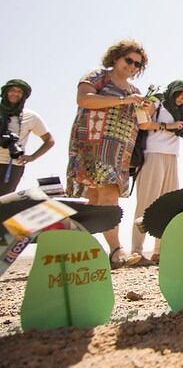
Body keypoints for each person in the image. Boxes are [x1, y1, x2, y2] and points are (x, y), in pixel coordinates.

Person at [66, 39, 152, 269]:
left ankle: (87, 250)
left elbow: (143, 125)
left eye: (137, 64)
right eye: (129, 60)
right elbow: (84, 99)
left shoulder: (134, 91)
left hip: (119, 150)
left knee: (98, 199)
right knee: (102, 197)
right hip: (93, 145)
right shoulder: (98, 76)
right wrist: (123, 100)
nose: (132, 66)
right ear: (116, 57)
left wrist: (145, 109)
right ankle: (116, 250)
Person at [132, 80, 183, 265]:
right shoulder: (158, 104)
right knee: (146, 203)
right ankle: (136, 251)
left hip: (172, 156)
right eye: (180, 94)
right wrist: (167, 124)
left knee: (168, 204)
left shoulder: (181, 110)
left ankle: (160, 251)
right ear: (172, 91)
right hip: (153, 155)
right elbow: (143, 124)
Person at [0, 79, 55, 195]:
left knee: (2, 204)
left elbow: (49, 140)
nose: (15, 93)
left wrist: (32, 157)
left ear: (24, 95)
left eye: (19, 91)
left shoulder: (31, 116)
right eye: (12, 90)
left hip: (12, 166)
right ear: (5, 92)